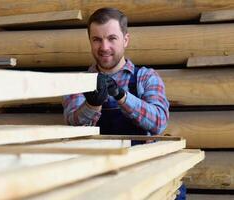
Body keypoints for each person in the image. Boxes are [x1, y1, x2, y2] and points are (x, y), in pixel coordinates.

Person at [62, 7, 185, 200]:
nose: (104, 47)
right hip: (97, 177)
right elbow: (72, 126)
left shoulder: (145, 77)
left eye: (112, 38)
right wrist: (92, 105)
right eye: (97, 39)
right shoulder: (79, 83)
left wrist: (122, 96)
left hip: (143, 173)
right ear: (90, 42)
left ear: (125, 40)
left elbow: (159, 122)